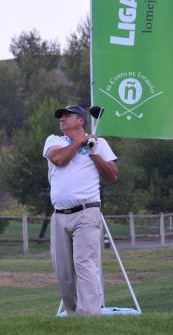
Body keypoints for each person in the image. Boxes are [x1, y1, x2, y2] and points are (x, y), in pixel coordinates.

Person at [43, 105, 118, 315]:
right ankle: (74, 315)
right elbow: (58, 160)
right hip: (59, 216)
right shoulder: (54, 141)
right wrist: (80, 142)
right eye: (61, 116)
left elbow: (112, 175)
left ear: (81, 120)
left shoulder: (99, 143)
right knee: (64, 272)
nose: (62, 119)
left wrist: (94, 153)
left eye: (67, 116)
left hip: (87, 213)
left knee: (84, 264)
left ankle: (89, 316)